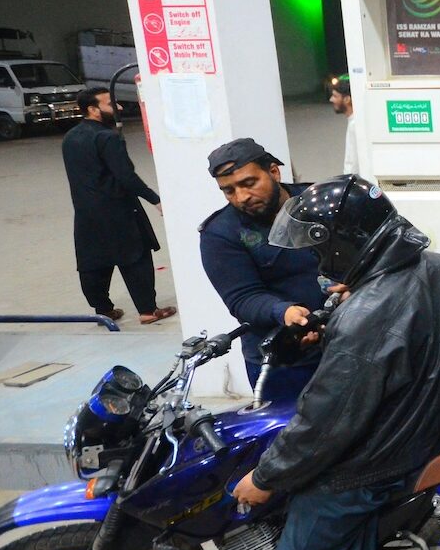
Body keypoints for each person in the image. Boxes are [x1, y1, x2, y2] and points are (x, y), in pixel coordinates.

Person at [232, 176, 440, 550]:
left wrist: (265, 476)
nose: (315, 257)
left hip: (369, 465)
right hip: (422, 429)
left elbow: (324, 424)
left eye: (317, 246)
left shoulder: (367, 313)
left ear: (341, 241)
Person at [199, 139, 324, 402]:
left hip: (353, 342)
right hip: (284, 362)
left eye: (249, 183)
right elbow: (243, 298)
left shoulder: (321, 203)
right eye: (229, 190)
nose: (241, 197)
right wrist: (285, 312)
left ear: (274, 171)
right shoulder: (220, 234)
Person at [61, 87, 175, 325]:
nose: (120, 107)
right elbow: (126, 176)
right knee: (136, 258)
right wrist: (154, 199)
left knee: (93, 262)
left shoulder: (70, 137)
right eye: (111, 104)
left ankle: (103, 310)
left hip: (86, 213)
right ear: (93, 109)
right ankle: (147, 310)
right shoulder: (107, 138)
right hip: (118, 210)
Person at [329, 75, 360, 176]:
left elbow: (353, 163)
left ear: (347, 99)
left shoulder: (355, 125)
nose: (331, 99)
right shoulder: (354, 121)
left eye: (335, 96)